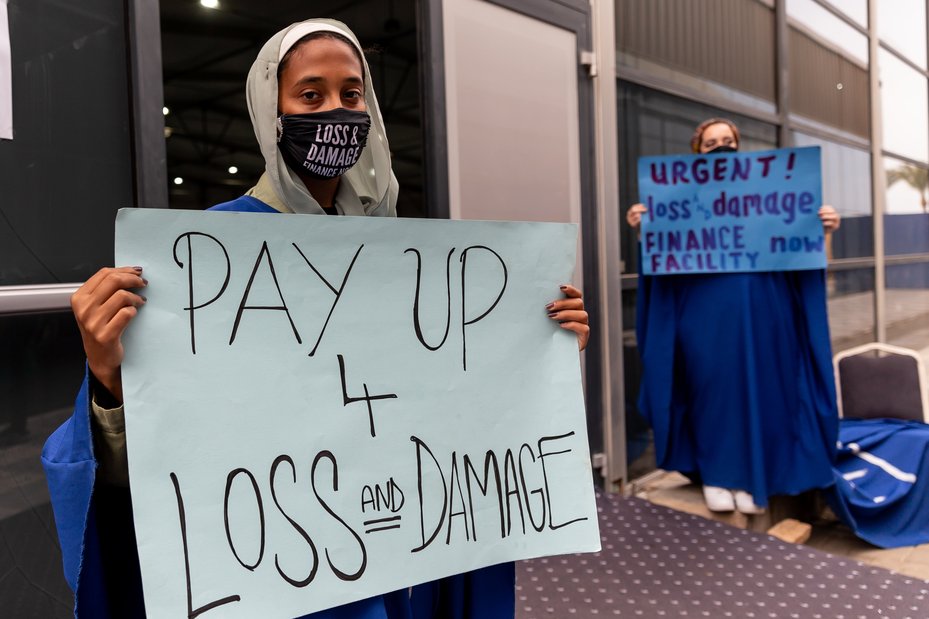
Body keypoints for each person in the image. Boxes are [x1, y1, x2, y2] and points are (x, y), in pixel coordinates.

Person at [41, 18, 589, 619]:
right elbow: (140, 465)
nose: (336, 110)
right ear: (268, 110)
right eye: (310, 94)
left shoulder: (398, 259)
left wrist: (539, 351)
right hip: (268, 577)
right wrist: (109, 380)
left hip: (381, 560)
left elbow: (449, 406)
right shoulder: (208, 255)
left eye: (351, 94)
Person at [627, 117, 840, 514]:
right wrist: (646, 232)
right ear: (698, 153)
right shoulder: (679, 201)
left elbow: (804, 261)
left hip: (766, 315)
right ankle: (717, 474)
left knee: (762, 390)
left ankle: (753, 478)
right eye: (711, 143)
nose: (721, 147)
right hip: (702, 315)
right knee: (712, 391)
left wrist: (822, 231)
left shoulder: (769, 196)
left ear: (739, 149)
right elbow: (661, 264)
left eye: (728, 141)